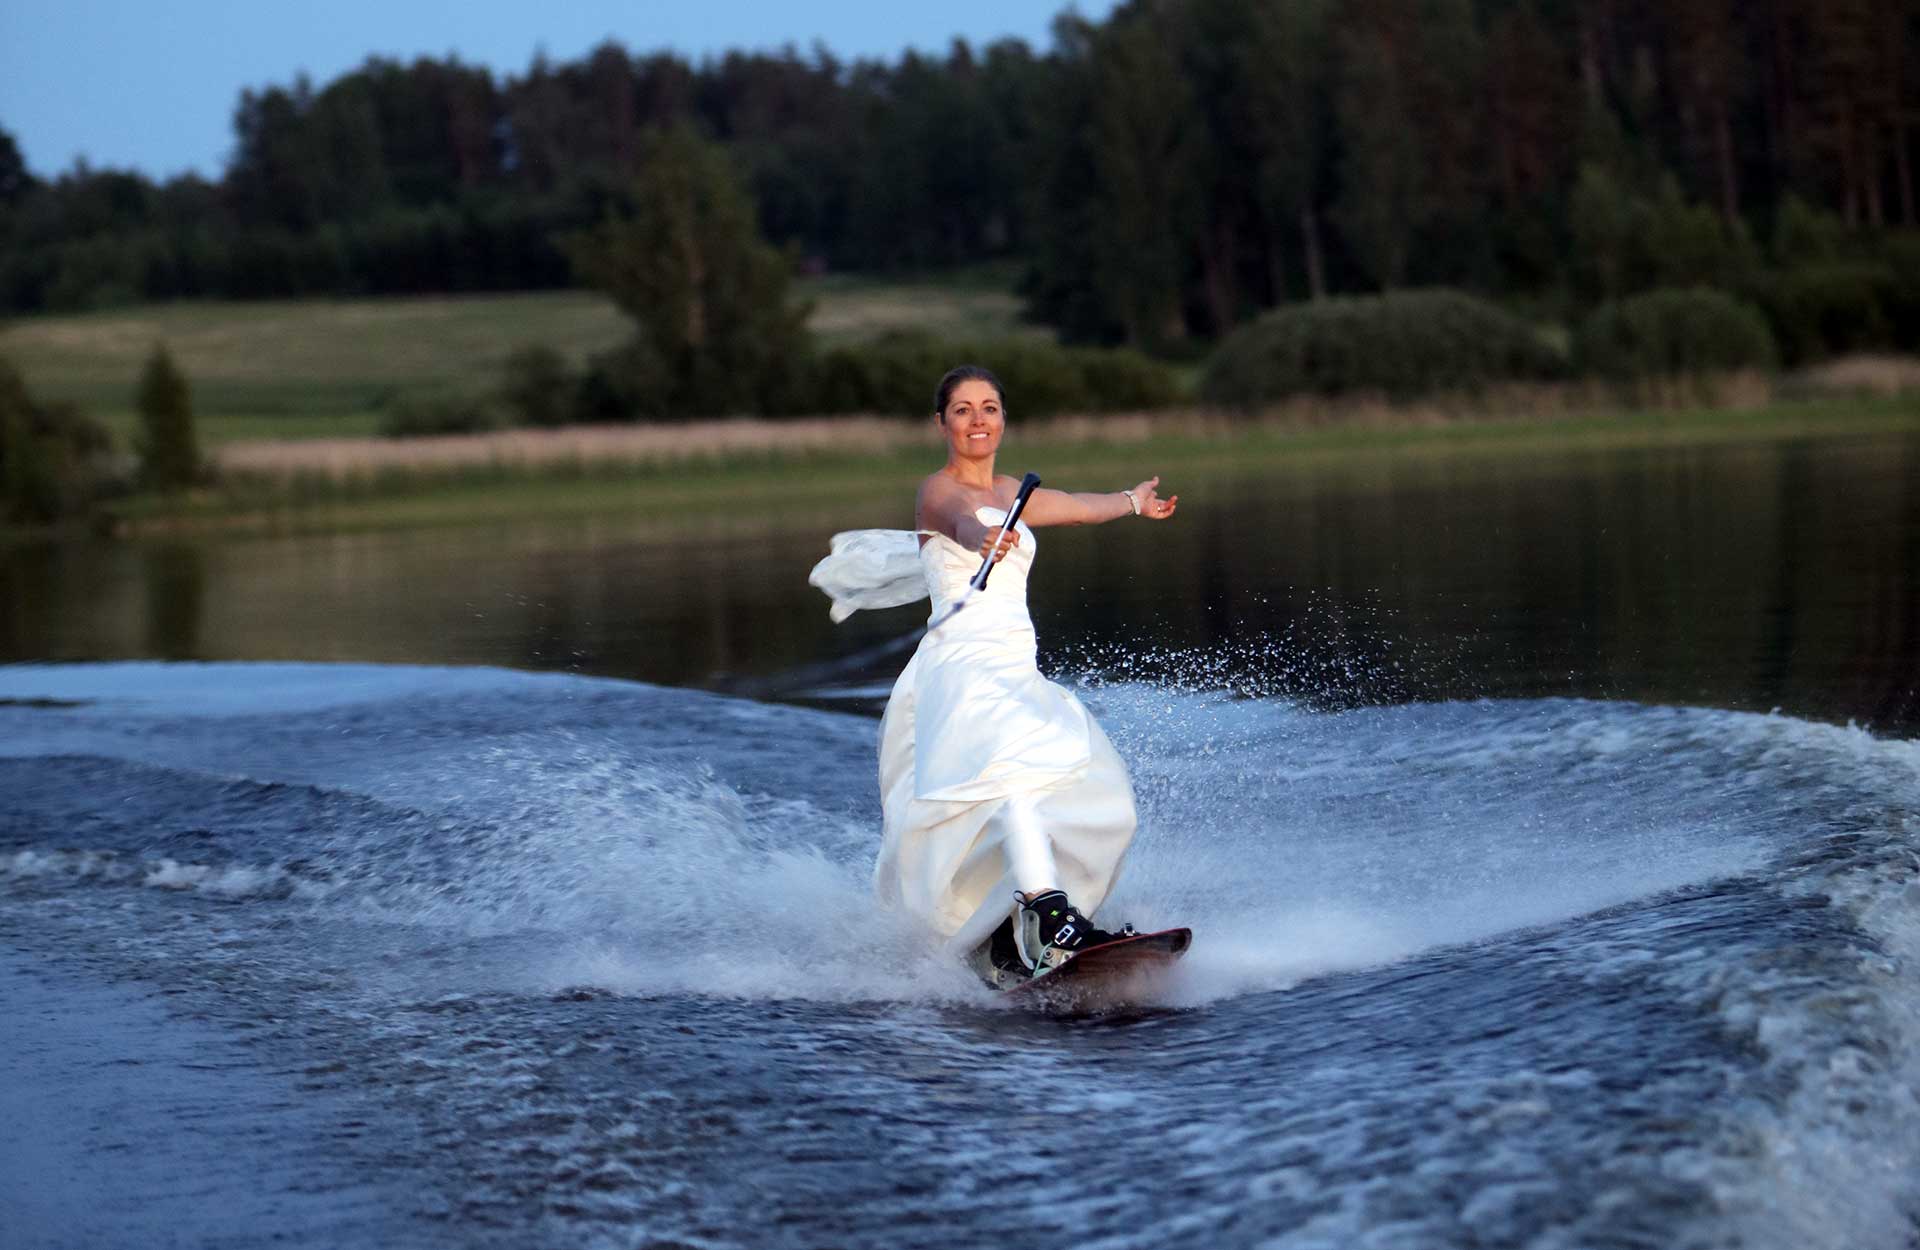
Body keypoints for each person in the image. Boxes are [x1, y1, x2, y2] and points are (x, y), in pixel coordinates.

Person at [809, 364, 1179, 986]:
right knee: (1012, 786)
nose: (977, 420)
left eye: (988, 408)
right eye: (962, 409)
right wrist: (979, 542)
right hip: (961, 665)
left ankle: (1012, 938)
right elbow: (955, 517)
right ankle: (1047, 918)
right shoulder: (937, 491)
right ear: (942, 422)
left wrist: (1131, 502)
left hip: (1014, 666)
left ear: (1003, 418)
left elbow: (1079, 509)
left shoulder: (1015, 490)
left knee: (1094, 790)